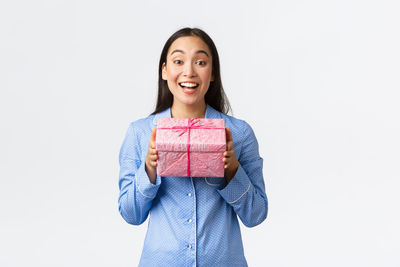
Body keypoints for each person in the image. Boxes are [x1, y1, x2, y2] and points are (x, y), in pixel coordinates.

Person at [118, 27, 268, 267]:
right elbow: (130, 215)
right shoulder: (140, 133)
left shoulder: (238, 134)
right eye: (178, 61)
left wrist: (232, 171)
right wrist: (148, 169)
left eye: (200, 62)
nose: (188, 71)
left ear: (212, 73)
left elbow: (256, 214)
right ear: (165, 71)